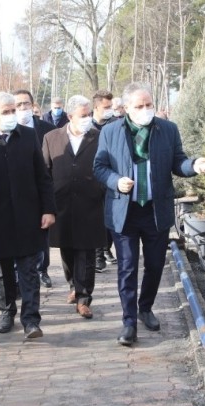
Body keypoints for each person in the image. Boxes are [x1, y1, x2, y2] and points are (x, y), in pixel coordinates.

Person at [93, 82, 205, 347]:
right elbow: (99, 166)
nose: (146, 110)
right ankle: (129, 323)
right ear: (125, 109)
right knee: (127, 267)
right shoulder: (111, 132)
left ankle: (145, 307)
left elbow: (177, 162)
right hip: (125, 210)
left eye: (149, 105)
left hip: (156, 210)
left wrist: (194, 164)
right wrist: (115, 181)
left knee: (156, 264)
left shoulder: (167, 129)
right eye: (139, 106)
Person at [0, 91, 56, 339]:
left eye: (13, 110)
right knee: (2, 269)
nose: (12, 115)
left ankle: (31, 320)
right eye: (6, 112)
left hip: (29, 214)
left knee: (28, 269)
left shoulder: (27, 136)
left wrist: (48, 209)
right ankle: (7, 311)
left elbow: (42, 176)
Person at [41, 95, 106, 318]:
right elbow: (45, 172)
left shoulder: (99, 136)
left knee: (86, 252)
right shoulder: (51, 138)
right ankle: (72, 286)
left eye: (89, 114)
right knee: (67, 249)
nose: (87, 119)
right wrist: (46, 205)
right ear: (70, 116)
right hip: (62, 203)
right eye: (83, 115)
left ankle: (84, 297)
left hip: (91, 203)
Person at [13, 89, 56, 288]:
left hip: (41, 187)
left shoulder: (46, 128)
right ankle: (18, 272)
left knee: (42, 232)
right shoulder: (6, 130)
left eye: (26, 104)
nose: (23, 108)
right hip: (16, 191)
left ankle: (43, 269)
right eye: (18, 105)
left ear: (33, 105)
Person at [90, 90, 119, 273]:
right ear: (96, 107)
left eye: (111, 107)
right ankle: (98, 254)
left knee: (108, 218)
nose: (109, 110)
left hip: (111, 177)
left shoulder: (117, 125)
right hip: (91, 179)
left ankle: (105, 248)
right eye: (106, 107)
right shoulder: (87, 126)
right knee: (95, 218)